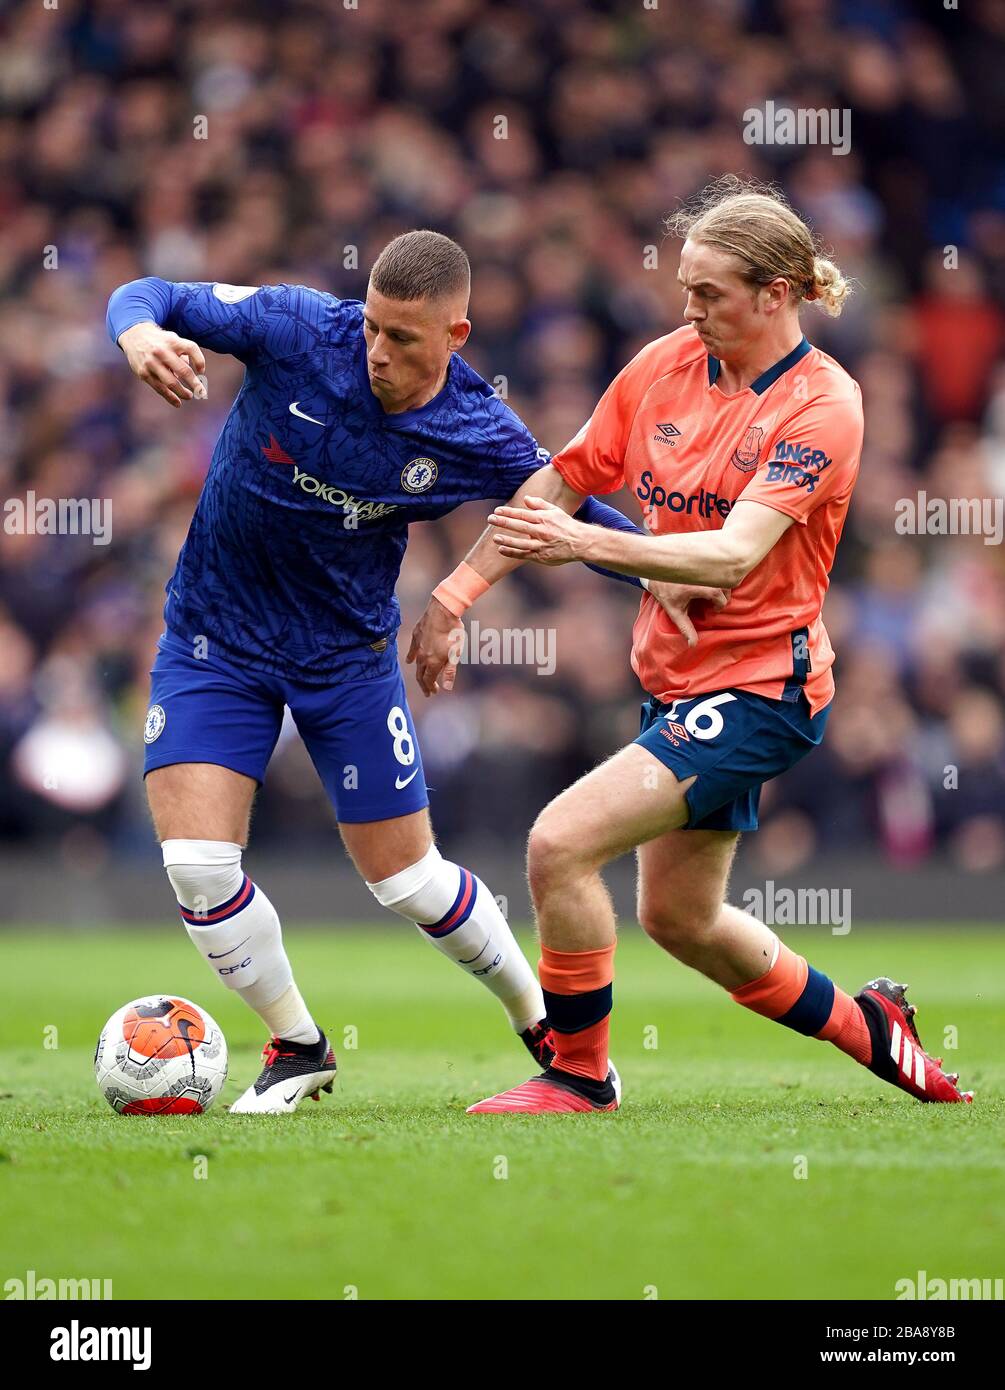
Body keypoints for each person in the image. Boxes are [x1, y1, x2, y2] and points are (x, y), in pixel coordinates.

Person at [410, 180, 972, 1113]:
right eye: (684, 287)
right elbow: (557, 483)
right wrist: (455, 593)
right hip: (678, 683)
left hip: (763, 690)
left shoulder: (822, 404)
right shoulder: (665, 364)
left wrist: (596, 544)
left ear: (777, 291)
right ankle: (873, 1028)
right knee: (679, 918)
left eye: (709, 292)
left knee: (559, 845)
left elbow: (729, 554)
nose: (688, 308)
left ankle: (578, 1076)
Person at [106, 229, 676, 1114]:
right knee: (197, 866)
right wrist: (136, 334)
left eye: (402, 337)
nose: (376, 349)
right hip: (215, 639)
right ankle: (298, 1046)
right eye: (371, 326)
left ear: (457, 335)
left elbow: (563, 513)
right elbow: (148, 293)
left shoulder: (477, 428)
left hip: (346, 660)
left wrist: (669, 570)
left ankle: (544, 1027)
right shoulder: (297, 327)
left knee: (406, 882)